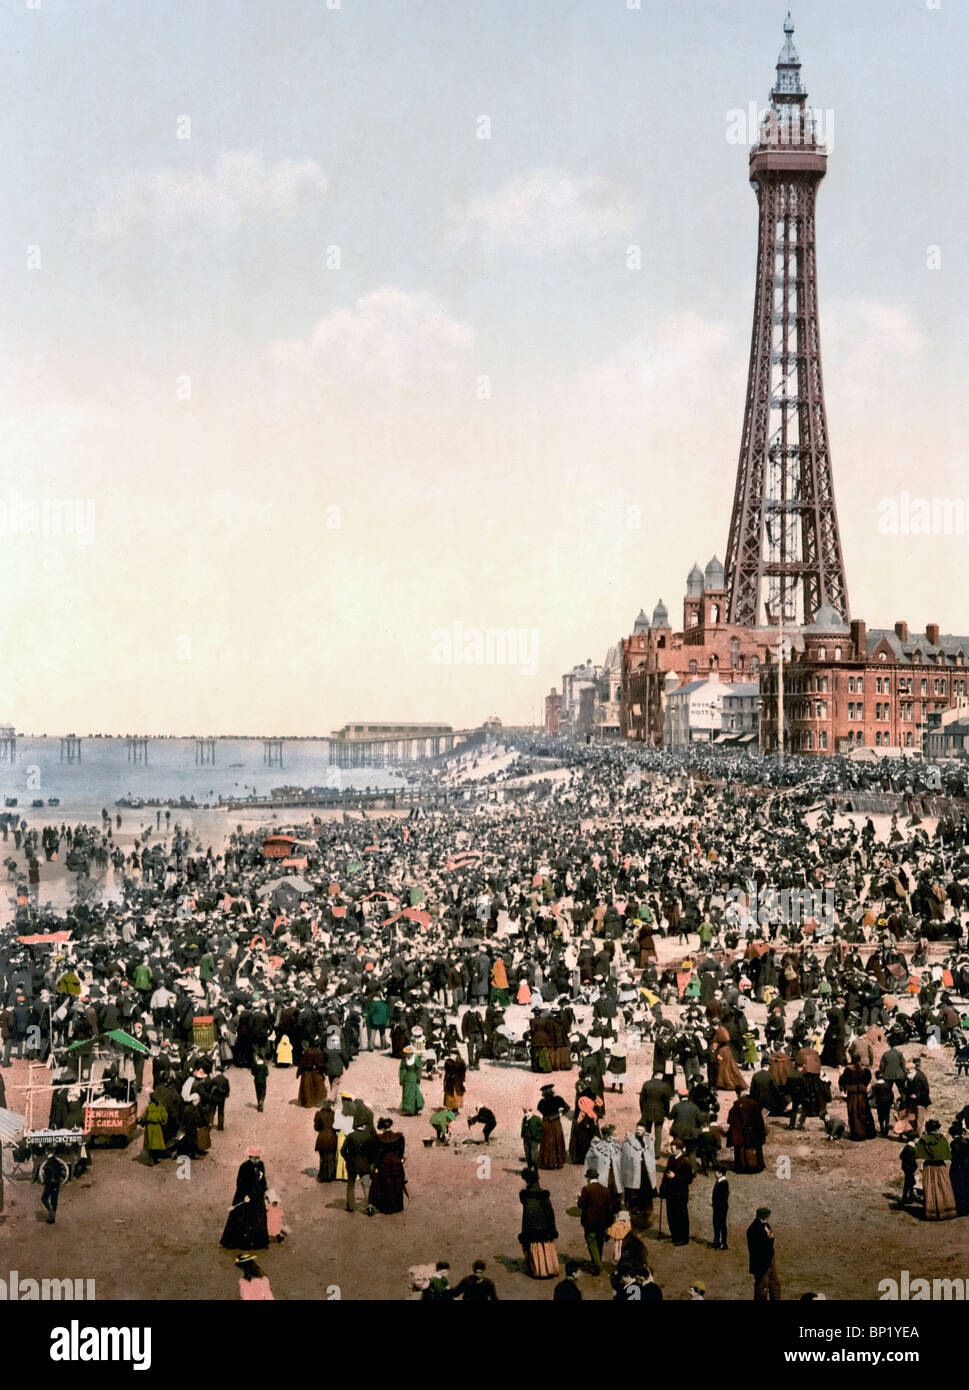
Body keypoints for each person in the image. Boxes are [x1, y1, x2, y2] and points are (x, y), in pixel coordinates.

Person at [221, 1148, 270, 1250]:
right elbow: (240, 1182)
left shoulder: (261, 1165)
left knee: (258, 1217)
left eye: (258, 1158)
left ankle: (258, 1241)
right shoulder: (244, 1167)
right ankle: (241, 1242)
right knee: (243, 1218)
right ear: (250, 1157)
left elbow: (263, 1179)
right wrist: (245, 1195)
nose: (257, 1160)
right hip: (245, 1195)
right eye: (255, 1158)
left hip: (257, 1195)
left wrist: (264, 1190)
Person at [518, 1168, 560, 1279]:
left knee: (536, 1250)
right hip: (545, 1227)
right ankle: (550, 1268)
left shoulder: (526, 1195)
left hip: (532, 1228)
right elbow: (550, 1213)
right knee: (546, 1247)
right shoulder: (544, 1195)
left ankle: (539, 1270)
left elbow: (527, 1215)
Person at [577, 1166, 618, 1275]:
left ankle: (597, 1265)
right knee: (599, 1243)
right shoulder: (605, 1190)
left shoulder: (586, 1189)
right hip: (602, 1223)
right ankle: (596, 1261)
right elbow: (610, 1209)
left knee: (592, 1242)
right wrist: (610, 1223)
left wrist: (579, 1198)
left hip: (589, 1223)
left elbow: (581, 1205)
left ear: (588, 1178)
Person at [914, 1120, 957, 1220]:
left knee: (930, 1188)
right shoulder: (942, 1139)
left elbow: (919, 1154)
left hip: (928, 1166)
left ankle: (931, 1211)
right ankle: (946, 1210)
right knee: (943, 1187)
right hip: (940, 1167)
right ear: (937, 1128)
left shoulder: (923, 1140)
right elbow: (947, 1154)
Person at [659, 1141, 694, 1246]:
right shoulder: (671, 1159)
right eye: (671, 1147)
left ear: (679, 1149)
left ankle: (683, 1238)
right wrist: (662, 1189)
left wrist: (675, 1177)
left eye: (673, 1147)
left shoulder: (685, 1162)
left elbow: (689, 1179)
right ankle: (674, 1236)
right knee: (671, 1215)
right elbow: (666, 1175)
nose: (671, 1149)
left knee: (681, 1217)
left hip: (680, 1194)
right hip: (670, 1193)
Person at [369, 1117, 407, 1214]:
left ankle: (387, 1207)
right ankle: (397, 1206)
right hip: (395, 1162)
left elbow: (377, 1154)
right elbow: (401, 1152)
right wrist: (399, 1159)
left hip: (384, 1163)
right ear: (390, 1126)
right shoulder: (398, 1136)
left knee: (385, 1184)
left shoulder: (379, 1138)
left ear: (382, 1128)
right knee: (397, 1182)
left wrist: (376, 1166)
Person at [726, 1088, 767, 1173]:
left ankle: (741, 1167)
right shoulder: (754, 1104)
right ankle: (757, 1166)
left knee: (739, 1149)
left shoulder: (736, 1105)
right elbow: (759, 1120)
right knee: (756, 1147)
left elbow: (730, 1120)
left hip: (739, 1132)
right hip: (753, 1131)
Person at [747, 1206, 780, 1300]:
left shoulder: (764, 1225)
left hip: (768, 1258)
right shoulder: (755, 1228)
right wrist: (769, 1239)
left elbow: (770, 1238)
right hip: (761, 1262)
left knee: (774, 1284)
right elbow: (762, 1243)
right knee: (763, 1287)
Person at [838, 1059, 876, 1141]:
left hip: (852, 1094)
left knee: (854, 1113)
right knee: (864, 1112)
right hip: (862, 1094)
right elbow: (868, 1078)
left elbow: (843, 1080)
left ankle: (857, 1134)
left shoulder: (848, 1070)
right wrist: (863, 1086)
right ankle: (868, 1133)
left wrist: (846, 1087)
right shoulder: (865, 1070)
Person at [537, 1085, 569, 1170]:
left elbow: (540, 1109)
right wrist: (560, 1114)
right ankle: (558, 1162)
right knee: (557, 1140)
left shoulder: (542, 1102)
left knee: (547, 1142)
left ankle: (548, 1163)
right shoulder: (558, 1099)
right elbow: (567, 1108)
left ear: (543, 1093)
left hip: (546, 1122)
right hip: (556, 1122)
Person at [138, 1091, 168, 1165]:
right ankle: (155, 1158)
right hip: (157, 1127)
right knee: (157, 1144)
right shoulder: (161, 1107)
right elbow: (165, 1118)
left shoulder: (149, 1107)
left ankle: (151, 1159)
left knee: (150, 1144)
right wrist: (163, 1123)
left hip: (150, 1128)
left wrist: (141, 1122)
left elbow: (143, 1117)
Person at [39, 1152, 69, 1224]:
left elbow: (45, 1174)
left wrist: (44, 1181)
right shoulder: (57, 1163)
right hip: (56, 1184)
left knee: (44, 1199)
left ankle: (51, 1213)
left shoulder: (48, 1164)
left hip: (49, 1184)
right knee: (54, 1200)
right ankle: (52, 1215)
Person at [314, 1100, 338, 1182]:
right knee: (331, 1158)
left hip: (322, 1138)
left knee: (323, 1158)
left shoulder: (319, 1114)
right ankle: (331, 1175)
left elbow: (316, 1127)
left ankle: (323, 1176)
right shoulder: (334, 1114)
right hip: (332, 1138)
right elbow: (336, 1127)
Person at [398, 1046, 424, 1116]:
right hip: (407, 1079)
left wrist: (418, 1078)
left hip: (413, 1078)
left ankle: (414, 1109)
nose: (407, 1054)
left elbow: (418, 1070)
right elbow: (403, 1070)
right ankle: (409, 1110)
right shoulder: (404, 1060)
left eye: (409, 1053)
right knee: (407, 1094)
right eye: (407, 1053)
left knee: (414, 1094)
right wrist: (401, 1079)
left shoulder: (416, 1059)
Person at [711, 1166, 729, 1250]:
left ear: (720, 1173)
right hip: (718, 1207)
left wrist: (717, 1203)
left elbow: (724, 1196)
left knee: (721, 1225)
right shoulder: (720, 1181)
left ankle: (723, 1242)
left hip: (720, 1208)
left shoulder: (723, 1183)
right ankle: (717, 1241)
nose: (715, 1173)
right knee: (716, 1224)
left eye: (716, 1172)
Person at [899, 1141, 918, 1207]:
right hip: (910, 1169)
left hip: (906, 1168)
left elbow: (901, 1156)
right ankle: (906, 1197)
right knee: (909, 1183)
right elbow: (913, 1161)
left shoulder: (906, 1148)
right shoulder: (912, 1150)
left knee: (909, 1183)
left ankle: (909, 1196)